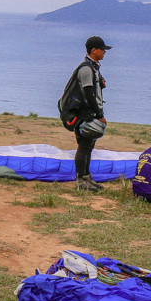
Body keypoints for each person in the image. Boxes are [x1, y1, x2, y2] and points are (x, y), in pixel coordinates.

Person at [58, 36, 110, 192]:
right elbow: (89, 94)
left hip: (88, 113)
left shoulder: (93, 68)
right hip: (85, 114)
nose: (104, 52)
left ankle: (87, 178)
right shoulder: (86, 69)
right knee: (84, 146)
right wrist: (99, 115)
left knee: (88, 146)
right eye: (102, 49)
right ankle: (81, 180)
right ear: (93, 50)